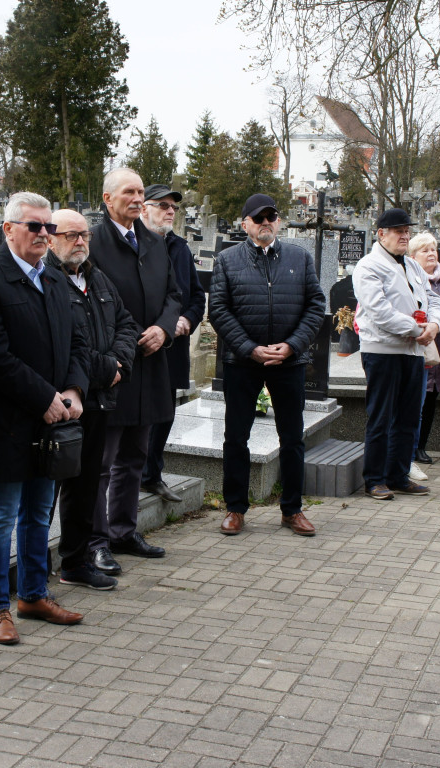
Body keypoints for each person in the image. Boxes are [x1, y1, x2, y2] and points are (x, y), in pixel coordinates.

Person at [0, 192, 89, 644]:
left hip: (53, 421)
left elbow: (78, 340)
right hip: (11, 421)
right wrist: (44, 397)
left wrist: (74, 389)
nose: (43, 235)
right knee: (1, 516)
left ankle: (33, 594)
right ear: (8, 229)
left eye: (48, 228)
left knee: (38, 514)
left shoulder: (54, 279)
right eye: (33, 226)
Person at [210, 193, 326, 535]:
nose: (265, 223)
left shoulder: (299, 258)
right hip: (243, 362)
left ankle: (292, 509)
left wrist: (292, 346)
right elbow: (219, 308)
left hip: (288, 362)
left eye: (271, 217)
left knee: (292, 437)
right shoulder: (227, 260)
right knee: (236, 436)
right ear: (245, 223)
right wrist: (249, 348)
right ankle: (235, 508)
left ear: (278, 221)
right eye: (258, 218)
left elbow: (315, 304)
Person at [89, 169, 181, 567]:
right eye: (129, 192)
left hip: (151, 363)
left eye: (141, 192)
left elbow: (174, 295)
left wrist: (163, 329)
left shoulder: (153, 241)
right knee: (101, 462)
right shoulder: (92, 241)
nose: (137, 198)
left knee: (134, 456)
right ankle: (95, 541)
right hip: (113, 365)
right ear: (108, 198)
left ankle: (123, 531)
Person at [45, 208, 139, 588]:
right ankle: (35, 571)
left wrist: (121, 364)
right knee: (47, 492)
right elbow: (66, 346)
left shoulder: (98, 279)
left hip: (100, 401)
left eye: (85, 234)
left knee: (85, 487)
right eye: (70, 235)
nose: (80, 241)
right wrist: (107, 369)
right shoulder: (48, 280)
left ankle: (75, 562)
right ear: (51, 239)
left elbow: (127, 325)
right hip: (64, 403)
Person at [352, 208, 440, 500]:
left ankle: (399, 474)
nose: (405, 236)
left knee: (408, 417)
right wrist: (418, 331)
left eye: (407, 231)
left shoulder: (413, 266)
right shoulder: (368, 266)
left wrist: (434, 324)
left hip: (414, 352)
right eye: (398, 231)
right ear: (381, 234)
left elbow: (433, 298)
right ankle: (375, 479)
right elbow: (379, 311)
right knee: (381, 417)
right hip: (383, 351)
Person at [140, 184, 206, 503]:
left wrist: (187, 320)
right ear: (143, 208)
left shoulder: (179, 247)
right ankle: (130, 473)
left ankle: (152, 475)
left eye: (174, 207)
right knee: (138, 414)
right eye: (163, 205)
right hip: (141, 345)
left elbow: (195, 296)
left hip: (173, 347)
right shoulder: (133, 245)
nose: (170, 211)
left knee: (165, 412)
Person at [408, 233, 440, 466]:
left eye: (433, 249)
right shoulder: (408, 278)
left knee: (430, 400)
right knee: (415, 400)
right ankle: (408, 446)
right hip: (417, 346)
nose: (431, 254)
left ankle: (421, 446)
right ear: (412, 256)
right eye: (424, 250)